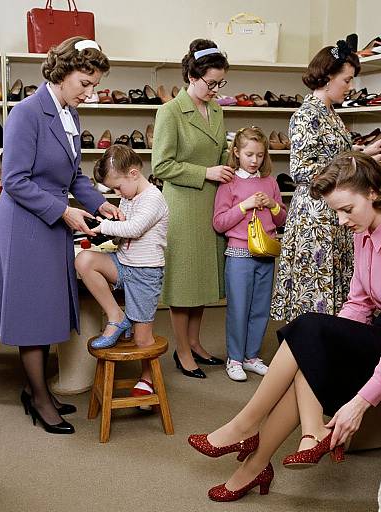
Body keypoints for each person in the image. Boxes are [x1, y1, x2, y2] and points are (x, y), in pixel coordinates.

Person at [188, 152, 381, 502]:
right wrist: (328, 344)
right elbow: (359, 303)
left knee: (309, 333)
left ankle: (248, 433)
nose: (341, 219)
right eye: (336, 211)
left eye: (346, 209)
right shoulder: (364, 231)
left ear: (374, 194)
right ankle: (258, 459)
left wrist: (360, 403)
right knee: (310, 346)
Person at [0, 37, 121, 434]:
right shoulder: (27, 114)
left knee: (47, 307)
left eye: (95, 84)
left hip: (52, 222)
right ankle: (39, 398)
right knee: (33, 311)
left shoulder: (69, 114)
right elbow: (13, 181)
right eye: (85, 82)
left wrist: (98, 204)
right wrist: (63, 210)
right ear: (61, 74)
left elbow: (74, 174)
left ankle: (36, 388)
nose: (90, 92)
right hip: (28, 224)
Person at [271, 40, 381, 322]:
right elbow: (302, 169)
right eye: (346, 80)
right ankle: (310, 351)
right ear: (327, 78)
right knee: (316, 289)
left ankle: (329, 348)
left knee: (332, 287)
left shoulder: (330, 114)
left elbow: (333, 155)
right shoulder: (306, 114)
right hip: (316, 214)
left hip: (333, 208)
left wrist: (364, 154)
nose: (350, 87)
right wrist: (352, 163)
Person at [152, 39, 232, 379]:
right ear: (192, 75)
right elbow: (161, 165)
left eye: (220, 83)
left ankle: (196, 343)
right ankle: (182, 351)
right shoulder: (169, 112)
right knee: (183, 283)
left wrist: (236, 157)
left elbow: (218, 154)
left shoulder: (217, 110)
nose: (216, 90)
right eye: (211, 83)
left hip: (211, 204)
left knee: (201, 279)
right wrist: (206, 172)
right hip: (183, 206)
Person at [75, 145, 168, 397]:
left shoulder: (153, 198)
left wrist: (104, 225)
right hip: (123, 264)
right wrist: (109, 232)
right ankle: (116, 316)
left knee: (142, 340)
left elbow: (135, 229)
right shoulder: (129, 197)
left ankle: (147, 379)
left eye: (117, 187)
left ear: (134, 173)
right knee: (84, 261)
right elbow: (122, 239)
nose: (117, 193)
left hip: (145, 274)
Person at [213, 127, 286, 382]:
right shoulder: (229, 183)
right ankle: (234, 358)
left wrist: (273, 204)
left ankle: (251, 356)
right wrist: (244, 206)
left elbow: (282, 218)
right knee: (239, 308)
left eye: (259, 155)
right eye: (249, 154)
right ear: (236, 153)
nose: (254, 160)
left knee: (260, 308)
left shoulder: (271, 182)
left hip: (266, 253)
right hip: (239, 254)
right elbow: (219, 222)